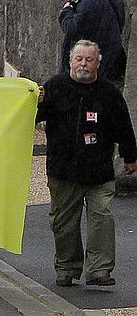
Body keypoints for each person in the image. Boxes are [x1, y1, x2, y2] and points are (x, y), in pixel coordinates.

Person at [38, 39, 137, 288]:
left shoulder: (109, 93)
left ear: (98, 63)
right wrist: (34, 101)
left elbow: (124, 127)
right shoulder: (54, 86)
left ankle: (100, 269)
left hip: (98, 171)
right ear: (70, 61)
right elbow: (31, 117)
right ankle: (67, 268)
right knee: (63, 223)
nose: (84, 64)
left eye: (89, 59)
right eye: (79, 59)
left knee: (102, 217)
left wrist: (130, 156)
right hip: (63, 170)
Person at [59, 0, 127, 83]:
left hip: (94, 69)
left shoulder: (92, 3)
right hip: (109, 62)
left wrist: (66, 11)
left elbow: (71, 28)